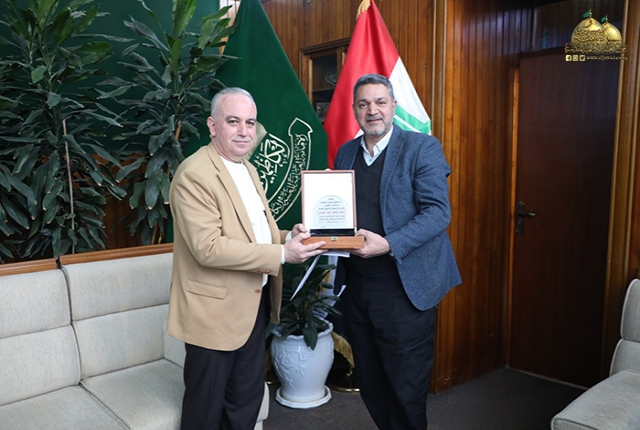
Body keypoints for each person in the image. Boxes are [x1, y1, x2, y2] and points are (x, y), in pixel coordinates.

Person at [166, 87, 325, 430]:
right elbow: (208, 247)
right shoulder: (194, 174)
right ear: (212, 126)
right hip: (213, 315)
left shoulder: (248, 168)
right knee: (205, 412)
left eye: (250, 123)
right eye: (233, 121)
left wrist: (289, 238)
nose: (243, 131)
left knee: (244, 404)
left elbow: (254, 233)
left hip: (253, 306)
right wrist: (282, 253)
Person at [334, 74, 461, 430]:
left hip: (404, 288)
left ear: (393, 106)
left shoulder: (422, 148)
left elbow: (438, 213)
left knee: (406, 388)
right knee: (371, 382)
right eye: (363, 104)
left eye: (380, 102)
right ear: (355, 110)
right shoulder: (346, 152)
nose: (372, 110)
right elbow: (339, 212)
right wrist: (320, 232)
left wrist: (389, 243)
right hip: (358, 287)